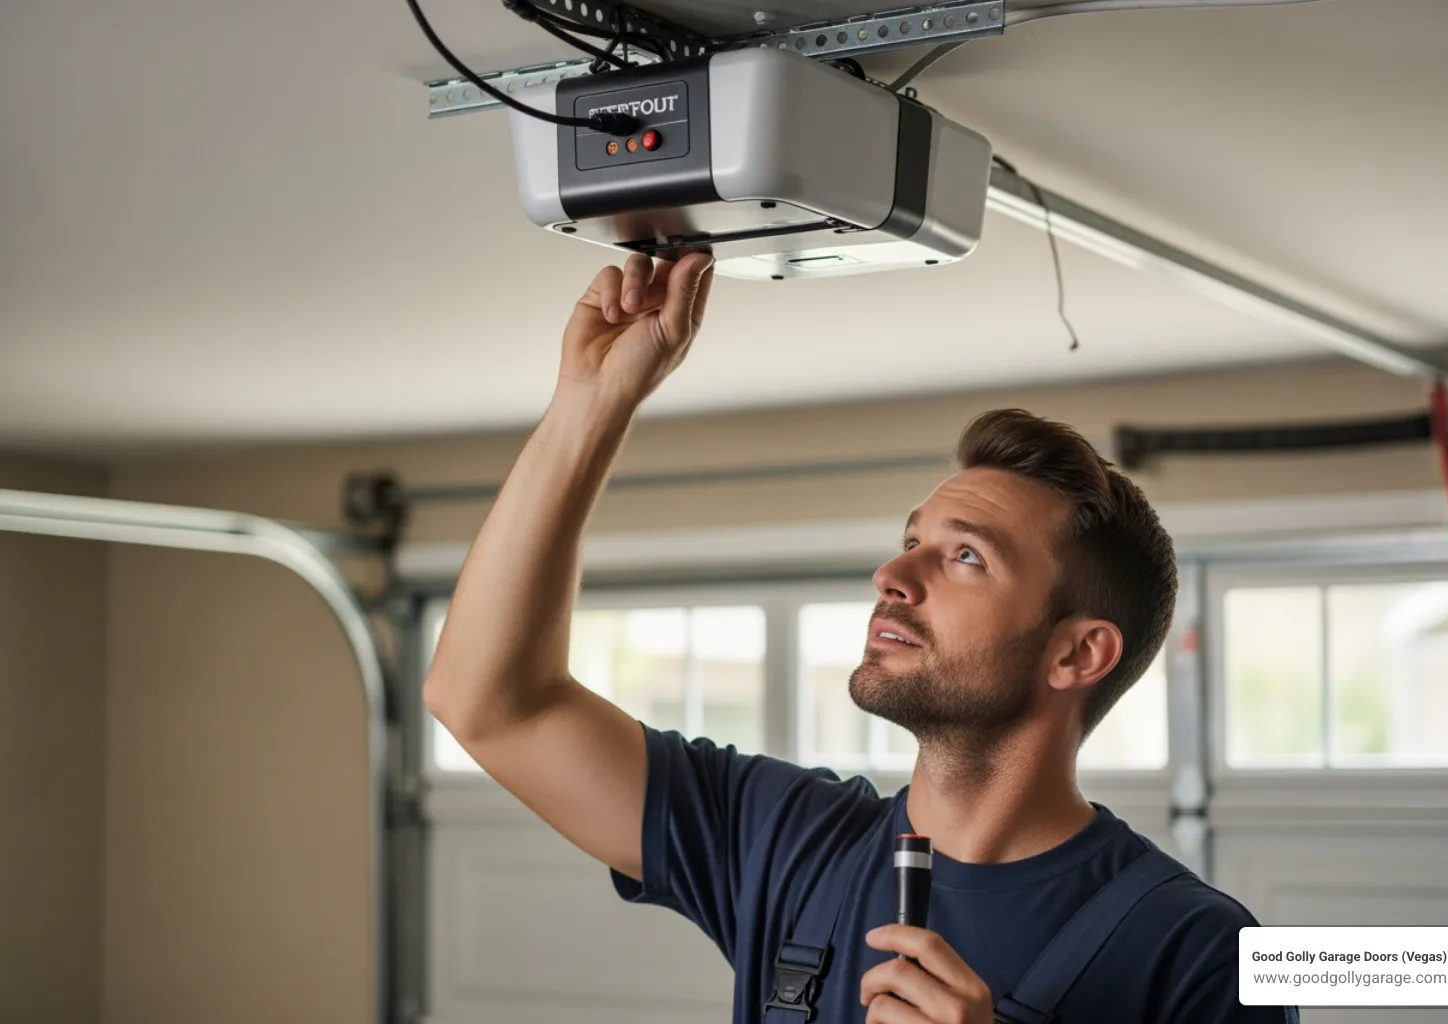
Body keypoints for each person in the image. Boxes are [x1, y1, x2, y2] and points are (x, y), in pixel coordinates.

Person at [424, 253, 1297, 1023]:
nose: (894, 573)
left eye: (965, 556)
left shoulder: (1195, 954)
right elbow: (491, 703)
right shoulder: (783, 841)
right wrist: (592, 401)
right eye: (911, 539)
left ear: (1078, 654)